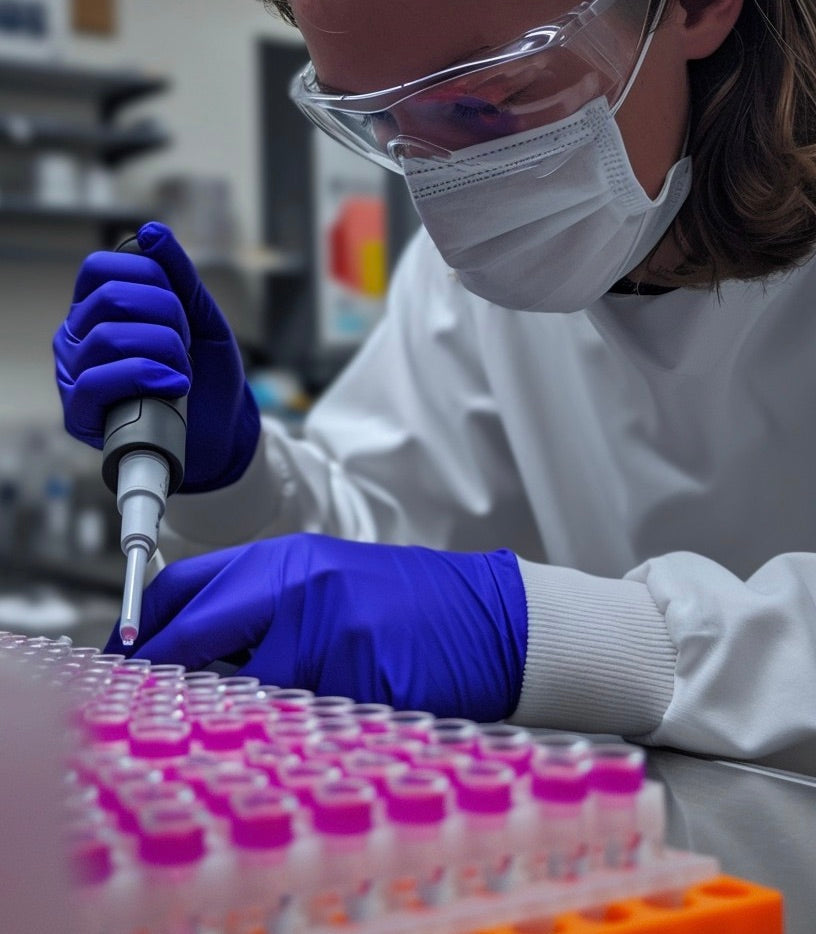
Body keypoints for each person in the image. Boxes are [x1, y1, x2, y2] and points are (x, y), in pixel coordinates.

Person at [53, 0, 816, 772]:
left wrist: (580, 640)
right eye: (384, 123)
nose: (446, 186)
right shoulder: (491, 260)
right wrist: (232, 481)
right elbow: (376, 568)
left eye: (488, 100)